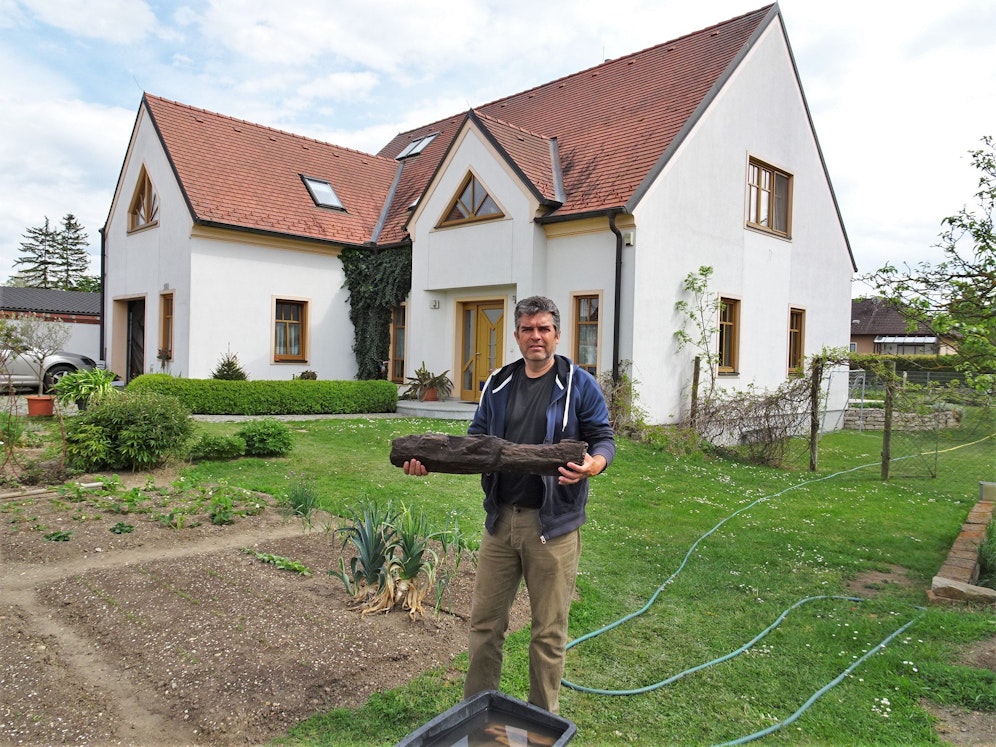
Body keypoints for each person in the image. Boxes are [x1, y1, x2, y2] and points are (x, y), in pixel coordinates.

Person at [403, 295, 615, 714]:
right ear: (516, 335)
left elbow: (603, 436)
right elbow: (473, 442)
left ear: (556, 333)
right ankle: (478, 714)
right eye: (527, 329)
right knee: (484, 626)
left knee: (548, 633)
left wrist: (594, 465)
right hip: (501, 524)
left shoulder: (578, 384)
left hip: (552, 527)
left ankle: (542, 721)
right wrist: (430, 460)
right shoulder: (498, 383)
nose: (536, 336)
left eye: (544, 329)